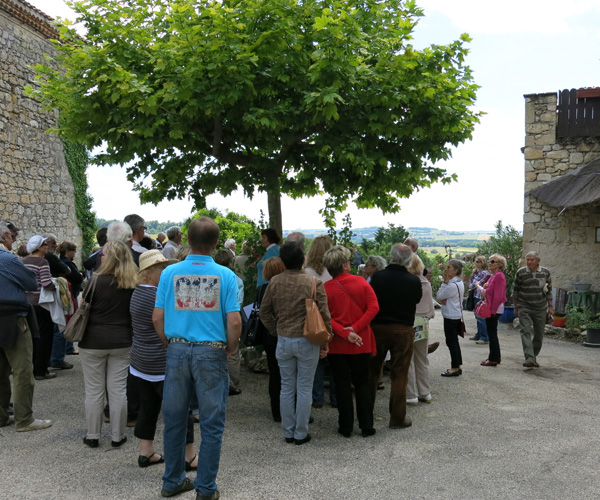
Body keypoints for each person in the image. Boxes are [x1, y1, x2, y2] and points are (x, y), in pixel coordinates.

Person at [153, 217, 241, 500]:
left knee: (175, 418)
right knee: (212, 423)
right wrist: (229, 348)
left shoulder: (169, 273)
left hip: (177, 349)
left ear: (187, 241)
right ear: (216, 244)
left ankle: (172, 480)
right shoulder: (225, 276)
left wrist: (169, 343)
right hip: (211, 350)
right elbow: (235, 321)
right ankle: (205, 488)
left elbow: (157, 317)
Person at [129, 250, 199, 469]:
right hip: (161, 363)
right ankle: (188, 456)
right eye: (162, 268)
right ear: (150, 272)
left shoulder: (137, 292)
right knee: (181, 409)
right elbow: (171, 324)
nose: (167, 271)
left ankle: (146, 451)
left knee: (148, 408)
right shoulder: (157, 296)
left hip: (141, 363)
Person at [260, 242, 332, 445]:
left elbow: (264, 312)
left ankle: (288, 431)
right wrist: (326, 339)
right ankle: (301, 433)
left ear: (282, 261)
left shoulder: (274, 282)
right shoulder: (313, 282)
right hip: (308, 339)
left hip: (283, 340)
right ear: (303, 260)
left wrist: (276, 329)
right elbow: (325, 315)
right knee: (304, 388)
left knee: (286, 387)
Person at [79, 241, 137, 448]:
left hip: (93, 340)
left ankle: (93, 435)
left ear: (107, 257)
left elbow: (84, 304)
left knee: (94, 390)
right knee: (118, 389)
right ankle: (117, 435)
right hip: (122, 340)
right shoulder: (132, 283)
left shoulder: (95, 281)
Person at [0, 222, 53, 432]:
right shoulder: (7, 259)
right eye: (12, 236)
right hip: (12, 317)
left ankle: (2, 416)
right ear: (4, 236)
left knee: (1, 371)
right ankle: (24, 419)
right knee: (22, 369)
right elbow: (31, 282)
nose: (13, 240)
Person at [323, 246, 379, 437]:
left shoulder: (326, 289)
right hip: (361, 341)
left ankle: (345, 426)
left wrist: (344, 332)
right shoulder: (362, 283)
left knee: (341, 385)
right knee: (362, 384)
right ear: (345, 265)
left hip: (338, 344)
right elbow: (373, 308)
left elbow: (325, 318)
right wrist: (355, 328)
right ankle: (366, 425)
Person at [368, 244, 422, 429]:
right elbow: (416, 300)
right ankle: (397, 418)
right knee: (400, 375)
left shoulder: (378, 277)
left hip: (378, 328)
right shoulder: (414, 281)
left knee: (372, 373)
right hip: (403, 329)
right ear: (409, 260)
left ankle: (366, 415)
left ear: (391, 257)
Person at [304, 235, 336, 409]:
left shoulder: (307, 272)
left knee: (316, 360)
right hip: (333, 316)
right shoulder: (332, 271)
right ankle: (335, 397)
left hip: (313, 318)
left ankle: (317, 397)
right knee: (334, 360)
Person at [22, 236, 57, 381]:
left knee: (30, 337)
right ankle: (41, 370)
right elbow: (46, 283)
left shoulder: (23, 261)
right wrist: (57, 286)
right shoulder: (43, 262)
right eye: (44, 245)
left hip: (26, 302)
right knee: (44, 336)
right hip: (40, 303)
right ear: (39, 247)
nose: (46, 247)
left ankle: (30, 367)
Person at [257, 257, 286, 422]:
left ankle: (277, 410)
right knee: (289, 374)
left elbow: (261, 312)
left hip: (269, 335)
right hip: (285, 333)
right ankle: (291, 408)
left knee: (275, 374)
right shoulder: (286, 287)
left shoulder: (263, 289)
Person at [513, 251, 553, 368]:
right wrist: (516, 307)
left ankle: (533, 356)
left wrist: (550, 307)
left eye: (532, 260)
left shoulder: (545, 272)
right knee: (525, 331)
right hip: (524, 306)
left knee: (539, 334)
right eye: (528, 259)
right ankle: (529, 358)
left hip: (540, 307)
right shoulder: (521, 273)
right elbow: (515, 290)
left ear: (538, 261)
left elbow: (549, 290)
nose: (529, 262)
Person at [213, 249, 244, 396]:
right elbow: (239, 301)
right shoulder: (236, 280)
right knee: (233, 353)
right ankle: (233, 383)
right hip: (231, 318)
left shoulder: (212, 277)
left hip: (215, 320)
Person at [406, 254, 435, 405]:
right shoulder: (426, 282)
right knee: (422, 358)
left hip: (410, 321)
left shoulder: (407, 282)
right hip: (423, 323)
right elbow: (431, 309)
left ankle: (411, 395)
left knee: (408, 359)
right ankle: (425, 392)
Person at [436, 259, 465, 377]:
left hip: (450, 316)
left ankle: (454, 367)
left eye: (449, 267)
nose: (446, 269)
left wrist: (444, 283)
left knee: (451, 342)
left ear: (456, 270)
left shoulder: (452, 285)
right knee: (454, 341)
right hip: (455, 314)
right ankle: (457, 365)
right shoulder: (459, 282)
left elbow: (439, 296)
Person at [478, 254, 507, 367]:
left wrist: (492, 310)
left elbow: (498, 296)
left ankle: (494, 358)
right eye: (490, 261)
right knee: (492, 332)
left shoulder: (499, 276)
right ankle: (494, 356)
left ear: (499, 264)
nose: (490, 263)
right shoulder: (494, 276)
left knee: (492, 333)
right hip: (493, 307)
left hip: (494, 308)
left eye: (493, 261)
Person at [468, 256, 491, 344]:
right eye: (475, 261)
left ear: (482, 263)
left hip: (480, 295)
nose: (476, 263)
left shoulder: (484, 273)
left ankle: (484, 337)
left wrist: (473, 283)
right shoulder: (478, 272)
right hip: (476, 294)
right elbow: (472, 282)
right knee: (477, 315)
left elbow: (474, 284)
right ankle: (479, 334)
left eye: (478, 262)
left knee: (481, 316)